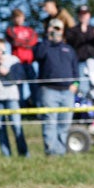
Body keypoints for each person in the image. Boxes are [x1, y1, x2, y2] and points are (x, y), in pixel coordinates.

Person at [33, 18, 78, 155]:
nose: (56, 32)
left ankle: (61, 151)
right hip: (49, 90)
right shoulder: (43, 46)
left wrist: (75, 85)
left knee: (64, 123)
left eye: (59, 29)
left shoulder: (69, 49)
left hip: (67, 92)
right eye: (54, 28)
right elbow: (38, 55)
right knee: (50, 122)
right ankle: (51, 152)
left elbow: (75, 70)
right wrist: (48, 38)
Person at [0, 38, 29, 157]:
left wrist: (8, 72)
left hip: (11, 98)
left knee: (16, 125)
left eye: (1, 49)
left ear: (5, 48)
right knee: (0, 128)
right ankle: (6, 155)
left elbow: (20, 78)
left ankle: (24, 154)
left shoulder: (14, 61)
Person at [5, 7, 38, 106]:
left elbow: (33, 41)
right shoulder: (10, 30)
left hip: (29, 63)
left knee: (34, 86)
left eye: (20, 17)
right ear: (13, 19)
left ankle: (35, 108)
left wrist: (22, 43)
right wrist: (26, 43)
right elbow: (14, 41)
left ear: (23, 18)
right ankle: (21, 108)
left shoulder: (30, 30)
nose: (18, 19)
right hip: (17, 63)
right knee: (19, 88)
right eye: (16, 17)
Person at [66, 5, 94, 97]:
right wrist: (82, 30)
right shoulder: (72, 30)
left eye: (86, 14)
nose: (84, 16)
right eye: (81, 14)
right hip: (79, 62)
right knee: (83, 87)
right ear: (78, 16)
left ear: (89, 15)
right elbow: (71, 44)